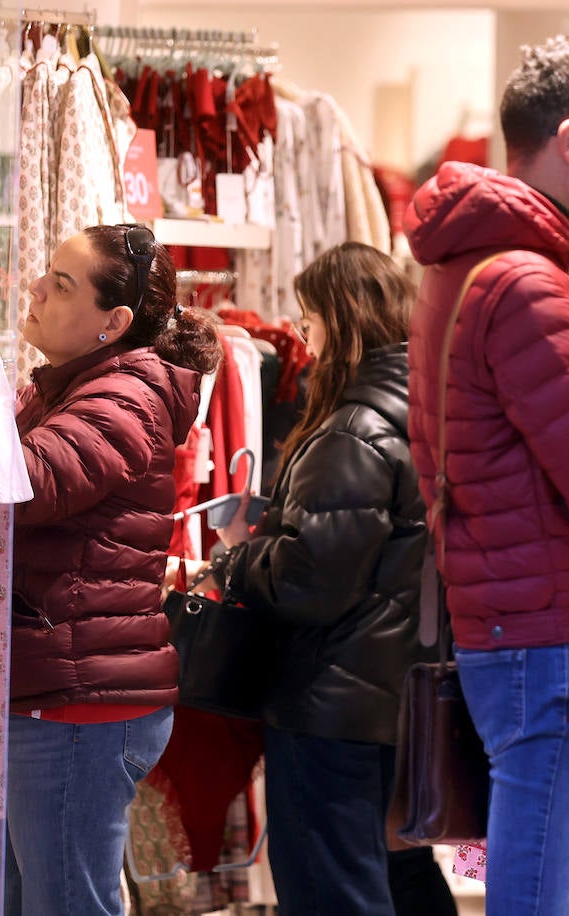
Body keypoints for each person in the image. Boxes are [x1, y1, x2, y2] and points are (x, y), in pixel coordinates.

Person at [403, 35, 569, 916]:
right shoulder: (528, 283)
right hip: (555, 630)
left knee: (538, 863)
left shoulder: (463, 266)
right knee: (544, 881)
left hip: (517, 619)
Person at [191, 241, 451, 916]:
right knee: (398, 875)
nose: (304, 343)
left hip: (331, 704)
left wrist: (233, 558)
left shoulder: (355, 430)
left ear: (340, 321)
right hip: (396, 695)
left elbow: (309, 581)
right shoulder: (426, 419)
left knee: (332, 886)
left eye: (309, 323)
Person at [6, 224, 222, 916]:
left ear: (114, 324)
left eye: (62, 284)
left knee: (68, 903)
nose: (37, 288)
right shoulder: (82, 385)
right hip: (67, 687)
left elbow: (32, 482)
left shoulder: (125, 395)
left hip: (79, 700)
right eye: (47, 271)